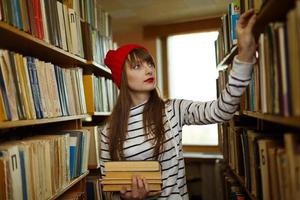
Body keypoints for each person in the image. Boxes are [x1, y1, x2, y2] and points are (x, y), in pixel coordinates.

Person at [100, 9, 257, 200]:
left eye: (149, 63)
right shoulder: (108, 131)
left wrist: (245, 56)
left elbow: (221, 111)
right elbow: (108, 189)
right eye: (137, 66)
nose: (149, 69)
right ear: (122, 79)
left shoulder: (173, 109)